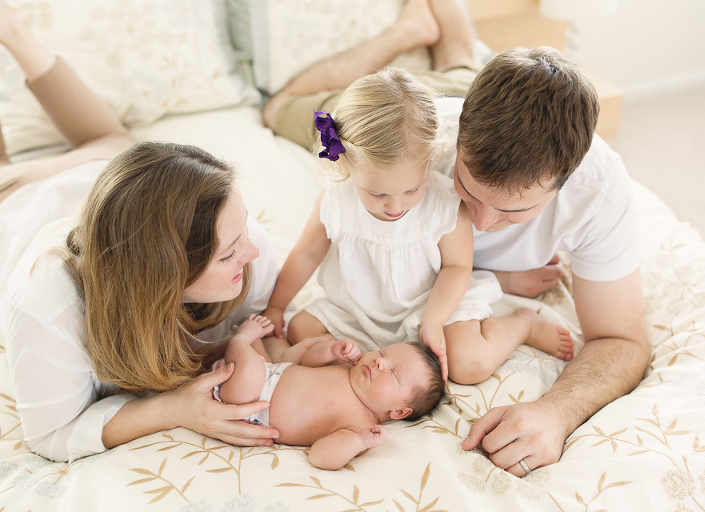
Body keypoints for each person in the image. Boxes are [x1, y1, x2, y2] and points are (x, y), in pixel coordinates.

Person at [262, 0, 649, 478]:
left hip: (458, 107)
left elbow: (623, 339)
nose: (481, 223)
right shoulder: (411, 151)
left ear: (566, 179)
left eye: (514, 211)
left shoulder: (600, 191)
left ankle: (456, 42)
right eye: (466, 189)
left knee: (462, 62)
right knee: (278, 110)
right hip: (429, 101)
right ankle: (412, 32)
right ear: (456, 138)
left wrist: (557, 412)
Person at [0, 2, 281, 462]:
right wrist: (171, 409)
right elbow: (51, 435)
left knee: (110, 143)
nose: (252, 250)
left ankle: (14, 35)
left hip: (110, 187)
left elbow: (271, 319)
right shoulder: (46, 306)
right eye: (228, 255)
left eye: (242, 230)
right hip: (13, 208)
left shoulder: (242, 239)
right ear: (161, 273)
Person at [261, 66, 573, 384]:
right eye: (377, 193)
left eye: (412, 189)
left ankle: (522, 325)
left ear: (430, 161)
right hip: (355, 308)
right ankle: (354, 360)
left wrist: (434, 321)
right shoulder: (336, 200)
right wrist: (276, 307)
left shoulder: (444, 203)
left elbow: (456, 267)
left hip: (428, 303)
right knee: (301, 329)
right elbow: (306, 254)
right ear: (346, 164)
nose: (395, 206)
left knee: (469, 364)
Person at [212, 315, 444, 470]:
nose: (379, 363)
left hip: (250, 406)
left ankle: (240, 337)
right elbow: (308, 362)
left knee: (251, 370)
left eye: (393, 374)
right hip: (267, 370)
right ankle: (224, 349)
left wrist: (359, 441)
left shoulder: (358, 426)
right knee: (262, 356)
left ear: (399, 411)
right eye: (382, 353)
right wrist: (331, 351)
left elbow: (320, 456)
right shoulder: (349, 368)